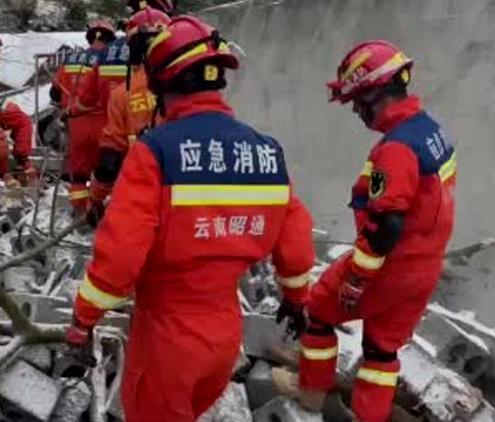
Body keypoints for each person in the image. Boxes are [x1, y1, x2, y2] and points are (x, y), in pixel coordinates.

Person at [64, 16, 316, 421]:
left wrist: (83, 319)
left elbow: (120, 255)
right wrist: (298, 299)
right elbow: (296, 241)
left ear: (165, 84)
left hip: (167, 336)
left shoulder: (156, 151)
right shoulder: (266, 151)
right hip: (224, 335)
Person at [272, 40, 457, 422]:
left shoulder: (396, 149)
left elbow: (386, 225)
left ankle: (310, 392)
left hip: (388, 267)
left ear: (377, 92)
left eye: (359, 101)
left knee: (318, 312)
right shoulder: (432, 132)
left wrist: (357, 277)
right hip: (423, 270)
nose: (357, 110)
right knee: (381, 351)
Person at [87, 7, 170, 225]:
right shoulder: (193, 90)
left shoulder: (123, 94)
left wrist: (95, 198)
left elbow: (109, 162)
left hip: (142, 197)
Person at [65, 19, 119, 216]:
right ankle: (104, 213)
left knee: (78, 174)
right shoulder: (110, 60)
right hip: (104, 123)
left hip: (76, 124)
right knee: (107, 172)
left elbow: (55, 93)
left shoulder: (70, 59)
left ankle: (79, 214)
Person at [0, 99, 37, 186]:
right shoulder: (7, 113)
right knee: (19, 154)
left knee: (21, 153)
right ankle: (25, 179)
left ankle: (31, 181)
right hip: (21, 128)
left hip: (22, 129)